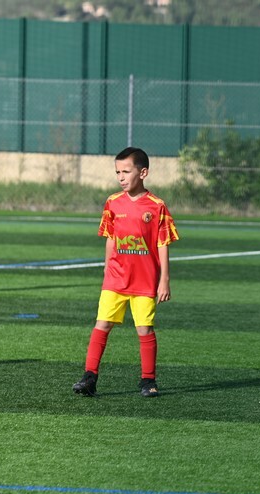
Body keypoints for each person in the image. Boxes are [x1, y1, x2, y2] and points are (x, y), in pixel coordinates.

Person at [73, 147, 179, 398]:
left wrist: (164, 279)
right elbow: (110, 237)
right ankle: (89, 377)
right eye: (117, 172)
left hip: (144, 280)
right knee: (102, 324)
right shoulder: (113, 202)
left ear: (143, 173)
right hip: (115, 277)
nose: (121, 177)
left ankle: (148, 380)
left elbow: (162, 243)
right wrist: (107, 265)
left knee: (144, 329)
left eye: (126, 172)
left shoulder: (157, 206)